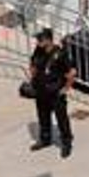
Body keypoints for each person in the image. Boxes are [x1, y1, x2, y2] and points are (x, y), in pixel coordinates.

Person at [28, 28, 75, 157]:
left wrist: (65, 89)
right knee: (43, 117)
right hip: (41, 91)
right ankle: (45, 139)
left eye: (40, 39)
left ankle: (66, 143)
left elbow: (71, 73)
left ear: (48, 40)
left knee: (61, 119)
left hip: (55, 93)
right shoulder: (38, 50)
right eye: (37, 39)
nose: (38, 41)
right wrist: (33, 74)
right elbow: (33, 62)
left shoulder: (60, 54)